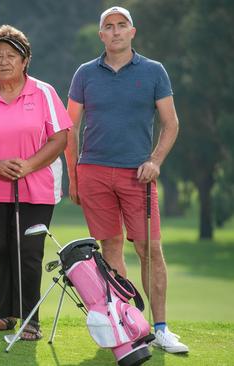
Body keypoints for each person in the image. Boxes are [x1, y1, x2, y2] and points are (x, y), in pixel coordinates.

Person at [64, 6, 187, 354]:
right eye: (109, 27)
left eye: (122, 26)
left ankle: (161, 328)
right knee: (111, 247)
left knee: (149, 248)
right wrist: (73, 176)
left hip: (138, 173)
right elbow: (71, 127)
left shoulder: (153, 72)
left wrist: (155, 160)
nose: (116, 31)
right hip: (94, 172)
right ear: (101, 35)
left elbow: (171, 123)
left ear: (132, 32)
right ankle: (130, 325)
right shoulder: (85, 74)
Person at [0, 25, 71, 340]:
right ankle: (6, 314)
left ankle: (30, 318)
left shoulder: (44, 92)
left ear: (25, 60)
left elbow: (60, 138)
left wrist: (29, 165)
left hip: (35, 188)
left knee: (28, 250)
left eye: (11, 56)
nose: (4, 61)